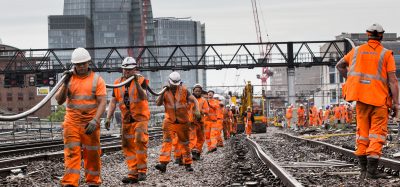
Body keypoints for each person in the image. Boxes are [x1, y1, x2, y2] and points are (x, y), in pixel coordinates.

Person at [336, 23, 399, 179]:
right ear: (382, 36)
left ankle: (363, 170)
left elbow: (339, 65)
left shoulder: (356, 51)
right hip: (379, 101)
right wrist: (397, 104)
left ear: (367, 34)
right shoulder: (386, 54)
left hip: (361, 100)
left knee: (362, 134)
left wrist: (350, 79)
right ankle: (371, 171)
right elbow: (393, 81)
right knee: (377, 134)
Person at [55, 47, 107, 187]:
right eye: (78, 64)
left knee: (92, 155)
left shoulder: (97, 80)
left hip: (90, 124)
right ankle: (70, 183)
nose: (82, 66)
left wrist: (95, 120)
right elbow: (59, 100)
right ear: (74, 65)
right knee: (72, 154)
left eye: (84, 63)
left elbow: (103, 102)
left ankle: (93, 182)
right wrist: (65, 84)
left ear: (88, 62)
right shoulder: (69, 79)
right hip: (72, 123)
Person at [104, 57, 149, 183]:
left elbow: (144, 96)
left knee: (139, 140)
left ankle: (142, 171)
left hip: (140, 118)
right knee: (127, 145)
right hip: (127, 119)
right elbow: (113, 101)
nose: (127, 72)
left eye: (130, 70)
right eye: (125, 70)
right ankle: (133, 173)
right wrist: (108, 117)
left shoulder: (141, 80)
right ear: (122, 69)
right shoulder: (118, 82)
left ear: (135, 70)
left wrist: (136, 83)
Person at [154, 72, 201, 173]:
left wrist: (197, 110)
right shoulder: (165, 90)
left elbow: (195, 101)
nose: (175, 86)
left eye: (177, 84)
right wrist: (163, 92)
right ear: (169, 82)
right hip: (169, 121)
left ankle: (188, 163)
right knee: (167, 141)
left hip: (183, 121)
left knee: (185, 143)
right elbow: (158, 103)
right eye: (173, 84)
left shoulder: (184, 90)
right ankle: (163, 163)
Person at [190, 84, 209, 160]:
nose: (197, 92)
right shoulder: (189, 99)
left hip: (200, 122)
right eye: (196, 91)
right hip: (191, 122)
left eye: (199, 91)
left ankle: (197, 153)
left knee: (201, 138)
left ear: (201, 92)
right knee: (192, 137)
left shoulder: (203, 100)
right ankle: (193, 151)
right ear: (193, 91)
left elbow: (207, 110)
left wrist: (200, 111)